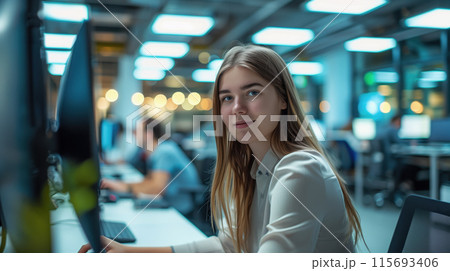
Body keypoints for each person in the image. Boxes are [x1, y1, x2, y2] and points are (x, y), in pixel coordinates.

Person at [80, 45, 364, 253]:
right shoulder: (253, 169)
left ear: (283, 101)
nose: (237, 108)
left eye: (252, 92)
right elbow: (229, 246)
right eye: (227, 98)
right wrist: (129, 254)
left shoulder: (300, 168)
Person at [101, 118, 201, 216]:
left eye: (137, 131)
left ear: (149, 134)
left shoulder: (164, 151)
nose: (134, 134)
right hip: (166, 202)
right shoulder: (156, 151)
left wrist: (124, 187)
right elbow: (149, 181)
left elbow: (156, 189)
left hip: (178, 206)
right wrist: (119, 185)